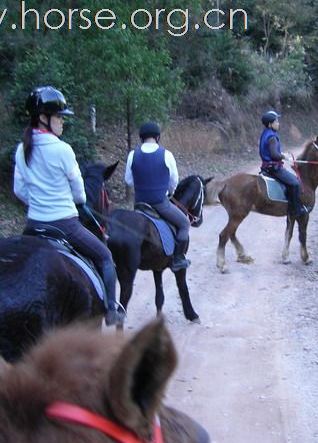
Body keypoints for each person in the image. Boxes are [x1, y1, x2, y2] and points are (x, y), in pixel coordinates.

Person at [13, 86, 121, 326]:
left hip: (32, 227)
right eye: (60, 117)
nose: (62, 122)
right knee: (104, 256)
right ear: (43, 117)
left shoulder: (22, 149)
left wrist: (39, 202)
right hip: (65, 225)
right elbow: (79, 193)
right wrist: (75, 201)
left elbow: (19, 190)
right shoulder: (63, 149)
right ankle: (112, 311)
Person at [125, 122, 191, 272]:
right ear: (158, 137)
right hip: (160, 203)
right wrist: (169, 191)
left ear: (141, 137)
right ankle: (179, 258)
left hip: (139, 204)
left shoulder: (132, 155)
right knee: (184, 224)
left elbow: (128, 180)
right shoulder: (166, 154)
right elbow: (173, 181)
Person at [258, 110, 309, 217]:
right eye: (276, 122)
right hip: (273, 167)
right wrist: (283, 156)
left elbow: (270, 151)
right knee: (295, 183)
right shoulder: (272, 137)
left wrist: (281, 153)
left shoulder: (266, 133)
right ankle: (297, 209)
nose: (278, 123)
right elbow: (274, 155)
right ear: (270, 124)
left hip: (266, 166)